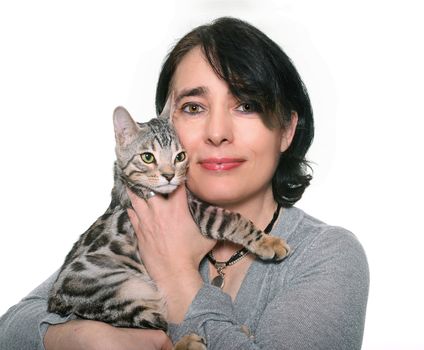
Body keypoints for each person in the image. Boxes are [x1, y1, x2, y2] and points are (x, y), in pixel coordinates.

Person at [0, 17, 369, 350]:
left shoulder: (326, 254)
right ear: (165, 128)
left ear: (287, 130)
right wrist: (82, 338)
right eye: (194, 107)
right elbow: (13, 326)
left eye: (246, 105)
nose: (218, 133)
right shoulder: (143, 221)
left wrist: (176, 272)